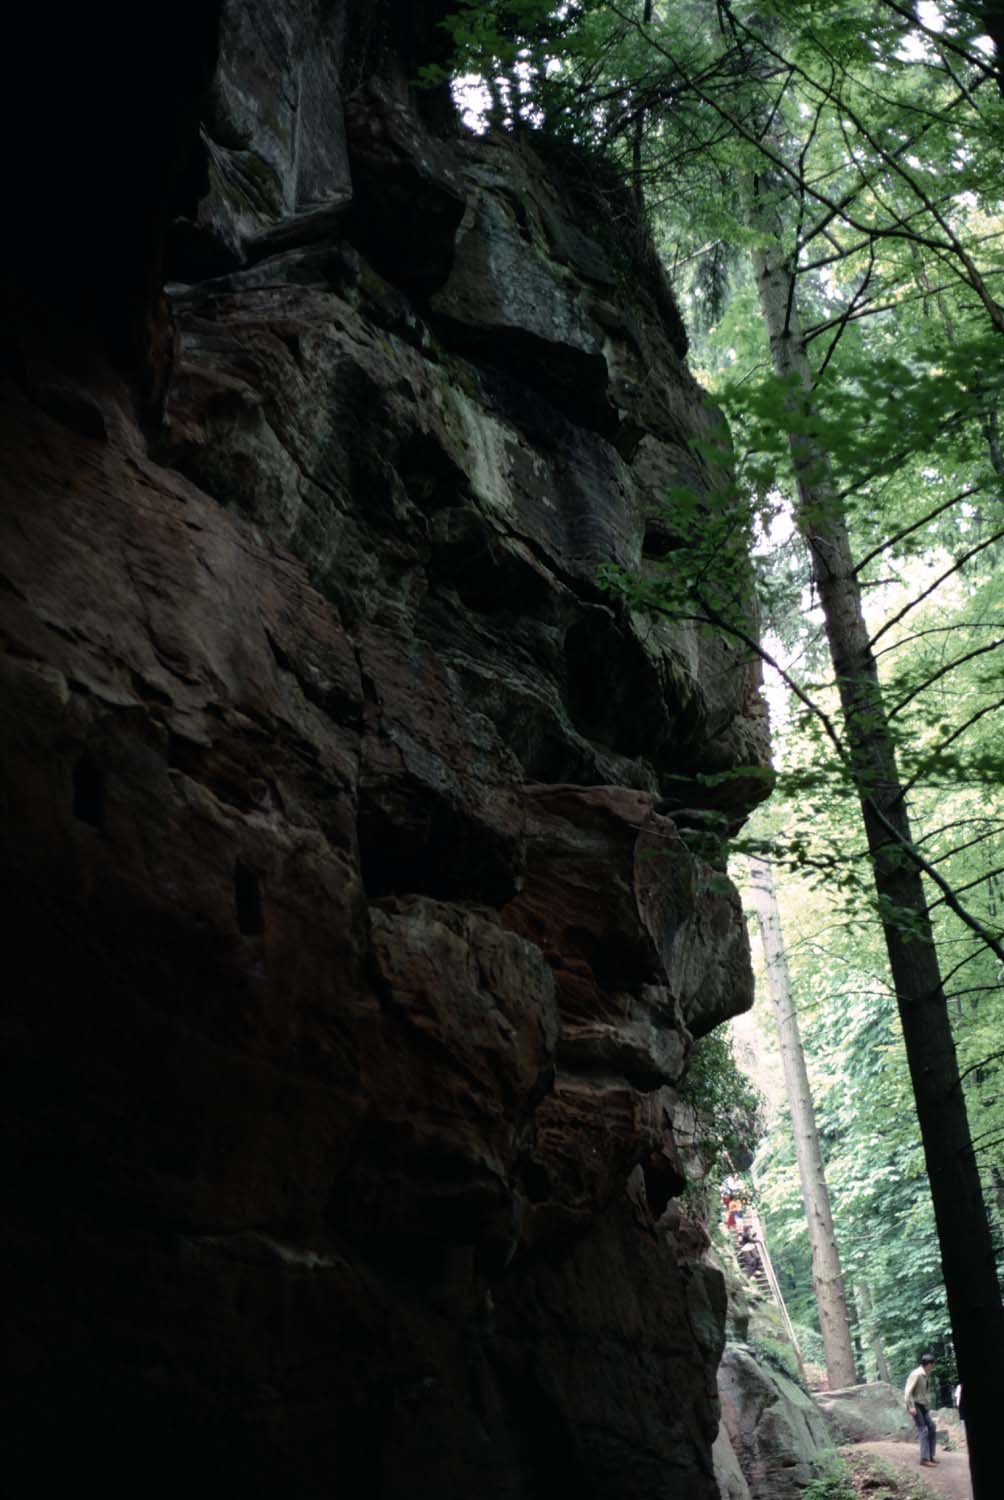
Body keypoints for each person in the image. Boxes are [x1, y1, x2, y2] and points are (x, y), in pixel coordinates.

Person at [904, 1353, 938, 1468]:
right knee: (923, 1430)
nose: (933, 1367)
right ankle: (924, 1459)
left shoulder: (925, 1374)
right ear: (928, 1364)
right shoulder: (916, 1374)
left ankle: (930, 1456)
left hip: (923, 1406)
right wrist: (911, 1406)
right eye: (932, 1365)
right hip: (915, 1405)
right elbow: (907, 1392)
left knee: (932, 1427)